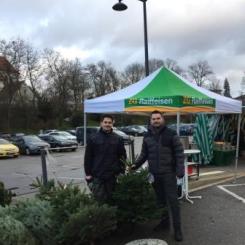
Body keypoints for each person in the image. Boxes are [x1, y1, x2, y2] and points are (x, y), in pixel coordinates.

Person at [131, 110, 185, 242]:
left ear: (162, 119)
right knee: (160, 201)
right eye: (153, 119)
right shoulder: (147, 136)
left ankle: (177, 230)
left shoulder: (171, 134)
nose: (155, 120)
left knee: (173, 202)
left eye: (158, 118)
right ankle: (164, 223)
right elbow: (144, 154)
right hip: (154, 174)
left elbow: (179, 153)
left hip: (168, 173)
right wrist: (135, 165)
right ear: (150, 121)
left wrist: (179, 170)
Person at [84, 114, 127, 203]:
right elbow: (88, 157)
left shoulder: (118, 139)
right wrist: (88, 173)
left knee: (113, 200)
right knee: (99, 201)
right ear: (101, 123)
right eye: (105, 122)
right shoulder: (93, 138)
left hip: (113, 175)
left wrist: (122, 171)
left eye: (109, 122)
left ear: (112, 124)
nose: (107, 124)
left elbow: (122, 156)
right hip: (97, 175)